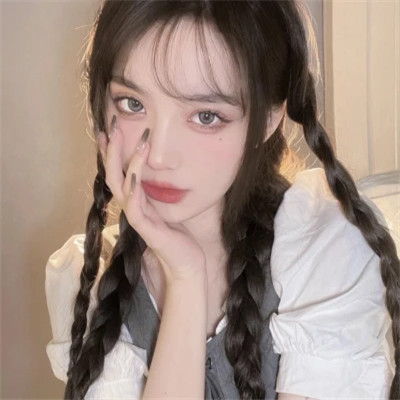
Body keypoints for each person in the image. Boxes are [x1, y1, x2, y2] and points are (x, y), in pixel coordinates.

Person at [44, 1, 399, 399]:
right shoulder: (90, 281)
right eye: (133, 103)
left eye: (206, 116)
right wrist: (185, 277)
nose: (159, 156)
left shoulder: (327, 251)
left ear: (268, 120)